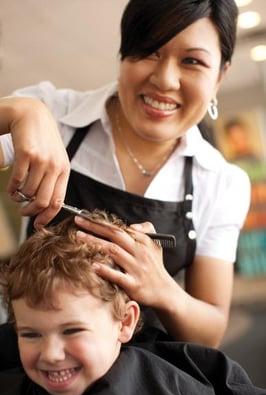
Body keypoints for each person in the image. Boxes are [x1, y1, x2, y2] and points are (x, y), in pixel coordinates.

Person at [0, 0, 251, 347]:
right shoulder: (56, 116)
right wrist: (18, 111)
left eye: (192, 61)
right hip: (38, 356)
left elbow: (209, 334)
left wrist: (162, 289)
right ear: (123, 53)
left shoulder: (222, 183)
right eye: (149, 51)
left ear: (220, 75)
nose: (165, 79)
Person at [0, 215, 265, 395]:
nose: (51, 354)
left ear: (125, 322)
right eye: (31, 334)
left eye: (71, 331)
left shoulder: (176, 386)